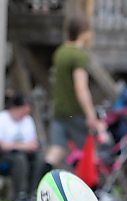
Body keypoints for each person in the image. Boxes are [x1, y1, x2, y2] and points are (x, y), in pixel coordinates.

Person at [42, 14, 105, 178]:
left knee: (55, 150)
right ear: (83, 33)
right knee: (89, 151)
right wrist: (90, 114)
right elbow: (81, 87)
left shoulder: (60, 52)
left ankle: (37, 186)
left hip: (59, 110)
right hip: (75, 111)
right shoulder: (78, 56)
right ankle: (94, 190)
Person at [0, 94, 40, 201]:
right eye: (23, 111)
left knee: (38, 159)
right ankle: (19, 195)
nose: (24, 114)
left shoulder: (28, 120)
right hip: (4, 156)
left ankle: (31, 194)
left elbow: (33, 143)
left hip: (24, 154)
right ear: (15, 108)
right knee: (20, 159)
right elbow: (3, 145)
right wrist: (23, 146)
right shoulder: (3, 118)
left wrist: (19, 146)